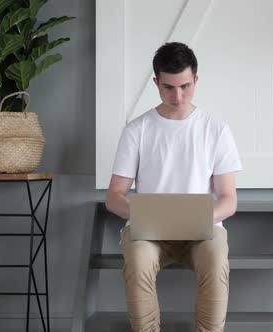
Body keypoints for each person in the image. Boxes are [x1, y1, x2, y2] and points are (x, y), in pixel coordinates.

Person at [105, 41, 242, 332]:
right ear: (156, 82)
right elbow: (114, 196)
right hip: (149, 232)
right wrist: (142, 214)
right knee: (139, 259)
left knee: (217, 258)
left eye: (185, 86)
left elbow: (229, 199)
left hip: (203, 231)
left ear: (196, 79)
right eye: (168, 87)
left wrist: (199, 218)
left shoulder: (216, 129)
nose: (177, 96)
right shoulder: (137, 130)